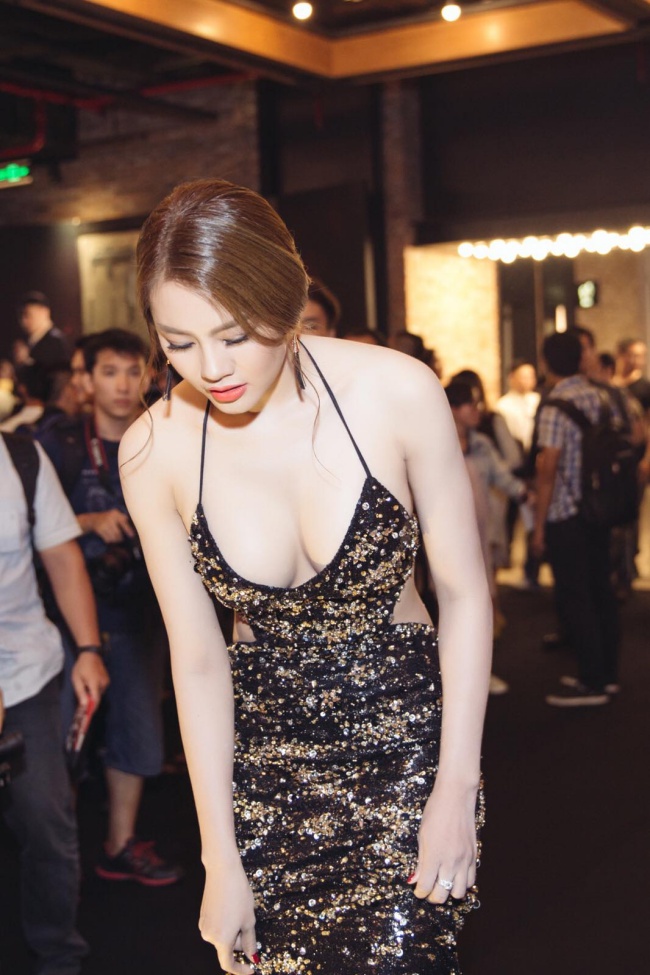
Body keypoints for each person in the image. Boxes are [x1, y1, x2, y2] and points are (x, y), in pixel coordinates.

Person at [119, 178, 492, 975]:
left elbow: (464, 593)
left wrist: (455, 787)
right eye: (179, 342)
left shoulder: (398, 391)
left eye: (235, 334)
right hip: (262, 775)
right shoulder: (154, 450)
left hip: (406, 757)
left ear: (287, 299)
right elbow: (198, 659)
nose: (211, 367)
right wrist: (219, 856)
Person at [39, 329, 182, 887]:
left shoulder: (166, 436)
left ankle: (120, 844)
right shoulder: (57, 443)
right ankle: (59, 855)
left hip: (141, 609)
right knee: (62, 741)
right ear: (86, 379)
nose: (123, 385)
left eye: (132, 371)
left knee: (139, 732)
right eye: (108, 372)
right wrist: (87, 522)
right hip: (67, 617)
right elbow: (26, 524)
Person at [0, 431, 109, 975]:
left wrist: (88, 649)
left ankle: (59, 954)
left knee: (48, 822)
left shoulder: (21, 456)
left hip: (27, 674)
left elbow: (63, 557)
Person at [532, 331, 622, 707]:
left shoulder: (555, 405)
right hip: (599, 508)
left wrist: (539, 526)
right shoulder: (601, 395)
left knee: (575, 596)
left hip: (566, 512)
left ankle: (591, 681)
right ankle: (608, 674)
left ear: (546, 362)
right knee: (601, 590)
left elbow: (547, 469)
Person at [16, 291, 71, 403]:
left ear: (44, 312)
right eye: (22, 316)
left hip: (45, 405)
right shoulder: (32, 342)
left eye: (28, 315)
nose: (24, 321)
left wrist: (26, 363)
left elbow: (57, 383)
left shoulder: (55, 342)